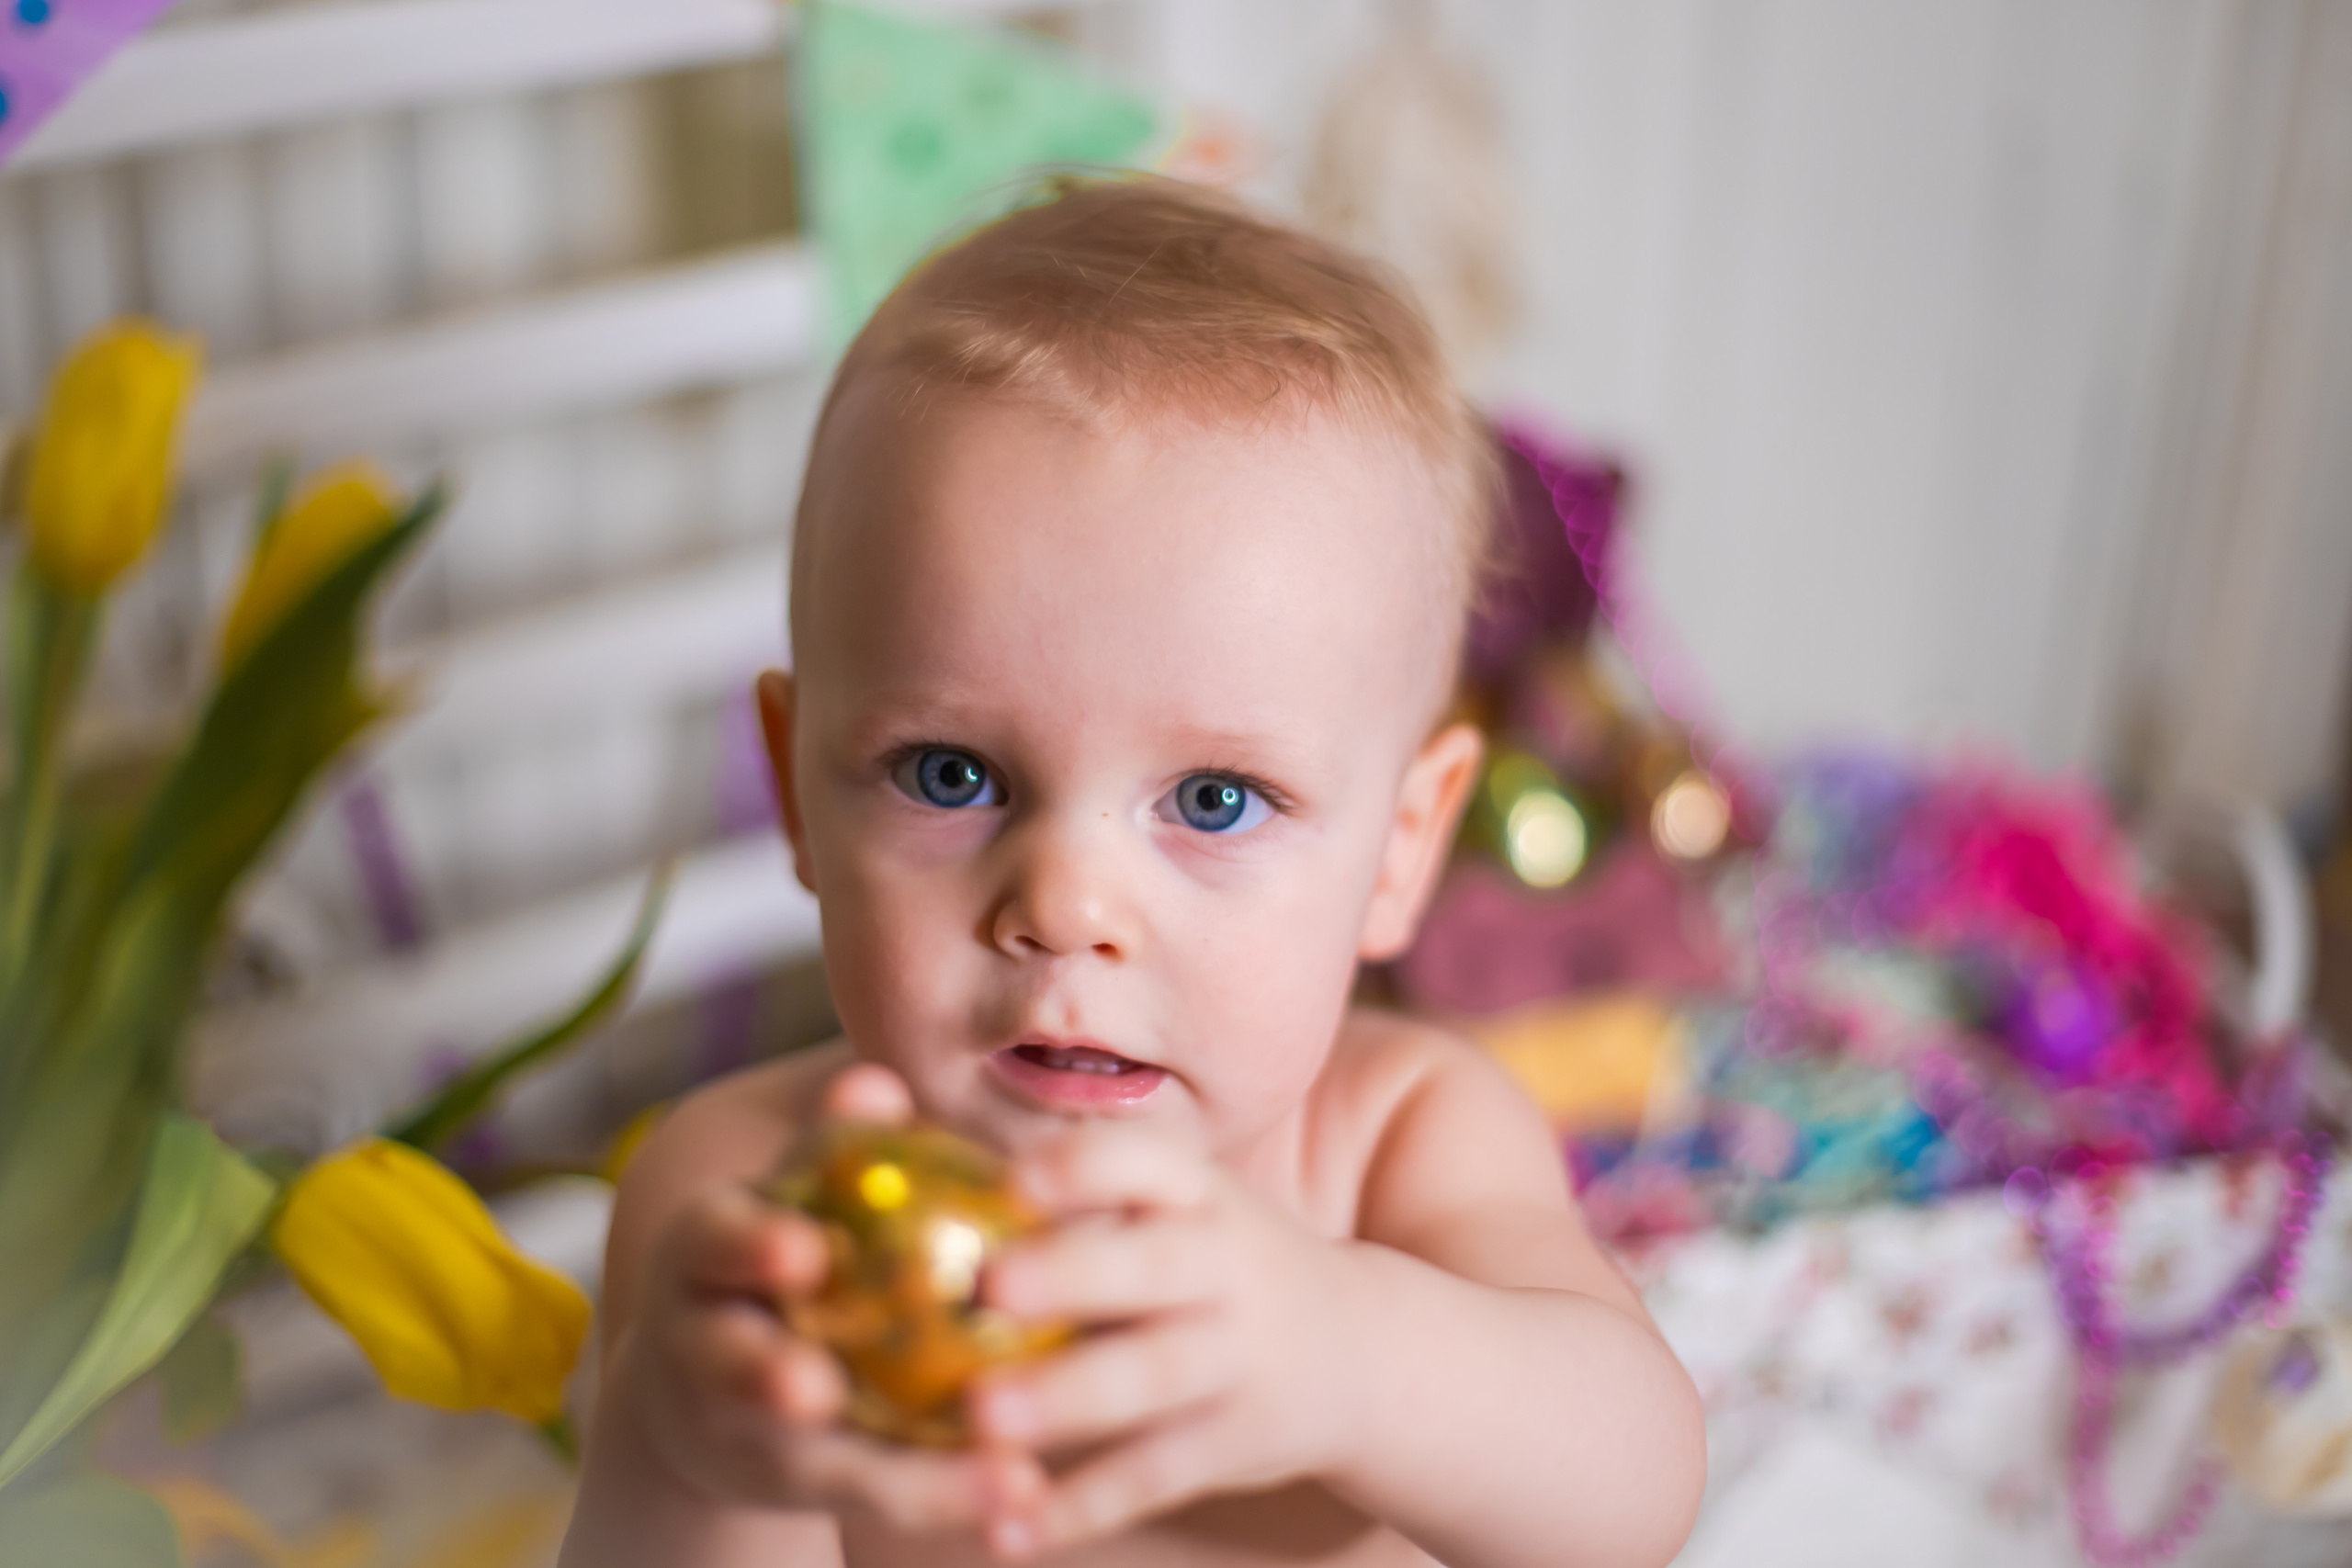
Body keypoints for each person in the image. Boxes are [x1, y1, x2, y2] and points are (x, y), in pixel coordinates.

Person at [559, 175, 1705, 1568]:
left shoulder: (1399, 1142)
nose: (1066, 908)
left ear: (1404, 848)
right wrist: (690, 1459)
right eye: (951, 775)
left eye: (1215, 800)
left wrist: (1349, 1355)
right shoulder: (745, 1202)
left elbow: (1633, 1492)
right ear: (801, 790)